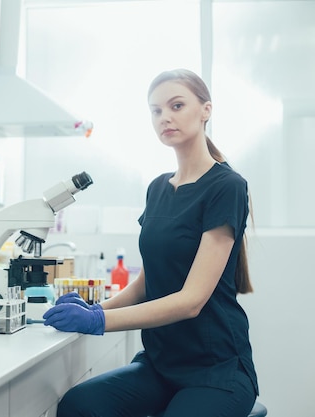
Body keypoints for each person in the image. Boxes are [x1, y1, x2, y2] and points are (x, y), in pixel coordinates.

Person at [43, 68, 259, 417]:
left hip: (216, 371)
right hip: (160, 364)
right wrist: (97, 308)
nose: (165, 118)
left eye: (176, 105)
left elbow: (191, 301)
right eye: (156, 111)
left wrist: (99, 323)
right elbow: (147, 283)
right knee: (79, 406)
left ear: (206, 110)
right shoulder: (158, 188)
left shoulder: (226, 186)